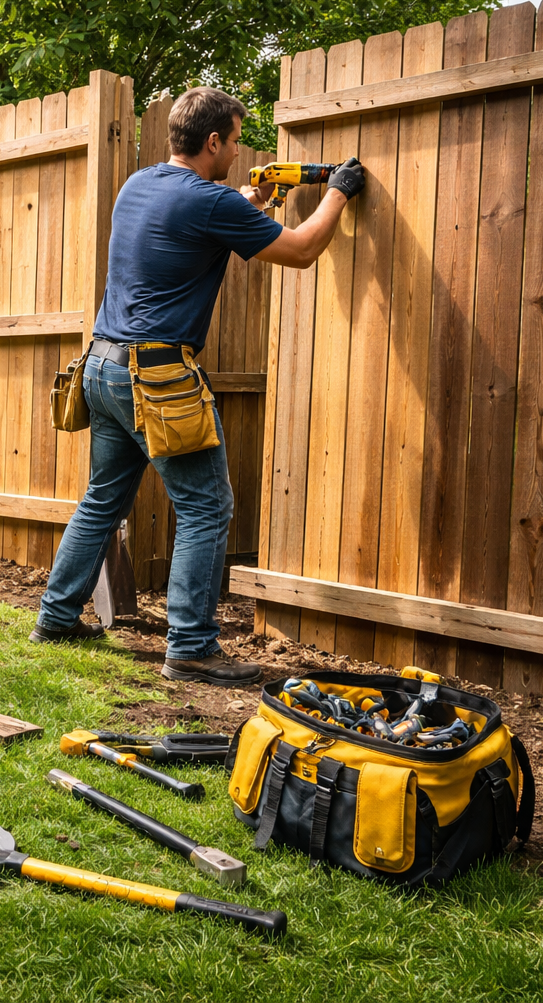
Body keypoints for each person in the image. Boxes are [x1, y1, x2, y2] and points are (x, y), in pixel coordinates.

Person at [29, 86, 364, 686]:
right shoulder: (212, 204)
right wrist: (338, 191)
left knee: (103, 498)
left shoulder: (139, 185)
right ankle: (190, 645)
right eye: (235, 140)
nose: (238, 150)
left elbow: (194, 226)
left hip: (101, 365)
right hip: (157, 376)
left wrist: (249, 202)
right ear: (213, 141)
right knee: (207, 505)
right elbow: (305, 249)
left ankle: (55, 617)